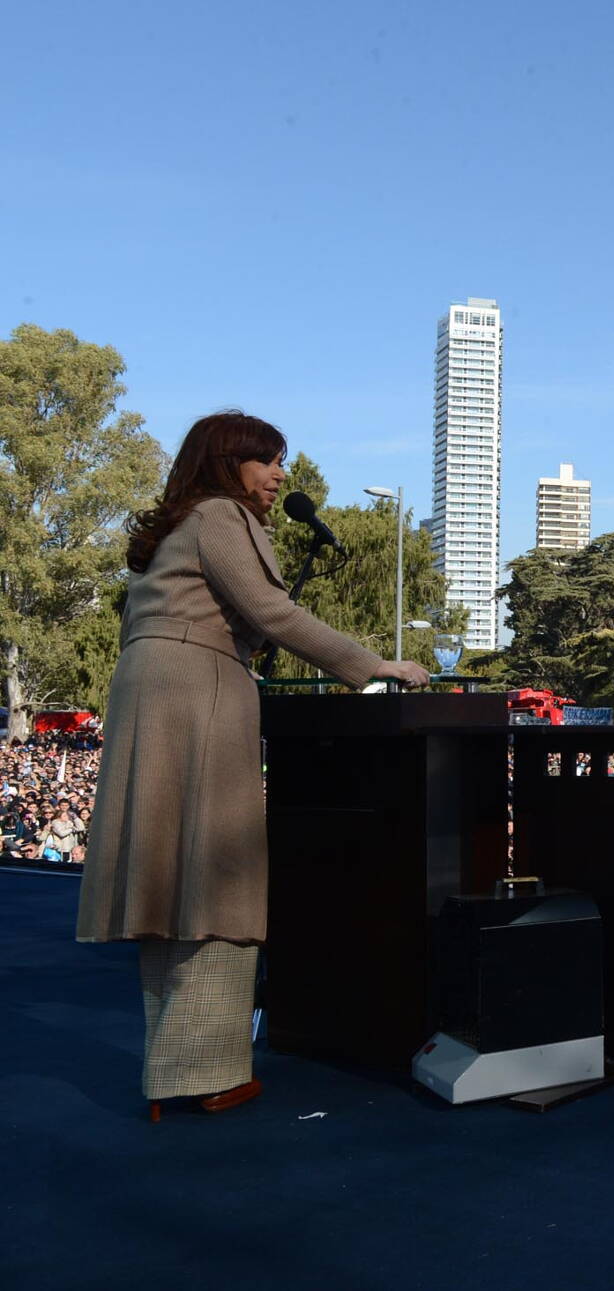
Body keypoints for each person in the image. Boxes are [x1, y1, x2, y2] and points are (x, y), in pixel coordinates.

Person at [74, 412, 430, 1121]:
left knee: (167, 883)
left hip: (153, 685)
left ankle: (169, 1067)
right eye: (267, 461)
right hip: (199, 691)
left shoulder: (176, 525)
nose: (278, 475)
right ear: (228, 461)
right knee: (215, 875)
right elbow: (274, 611)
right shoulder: (220, 516)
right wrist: (373, 664)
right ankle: (202, 1074)